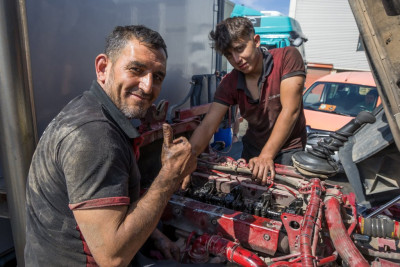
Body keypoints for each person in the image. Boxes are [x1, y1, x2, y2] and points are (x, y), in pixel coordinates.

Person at [25, 25, 197, 266]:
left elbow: (115, 212)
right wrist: (170, 176)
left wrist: (156, 238)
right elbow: (113, 257)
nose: (148, 87)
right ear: (103, 68)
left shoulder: (89, 108)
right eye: (136, 69)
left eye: (157, 76)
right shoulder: (96, 136)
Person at [184, 16, 306, 187]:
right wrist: (186, 160)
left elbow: (291, 111)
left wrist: (266, 156)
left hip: (288, 150)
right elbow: (208, 125)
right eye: (228, 54)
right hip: (253, 150)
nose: (236, 59)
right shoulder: (229, 82)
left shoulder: (287, 57)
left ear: (256, 41)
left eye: (240, 48)